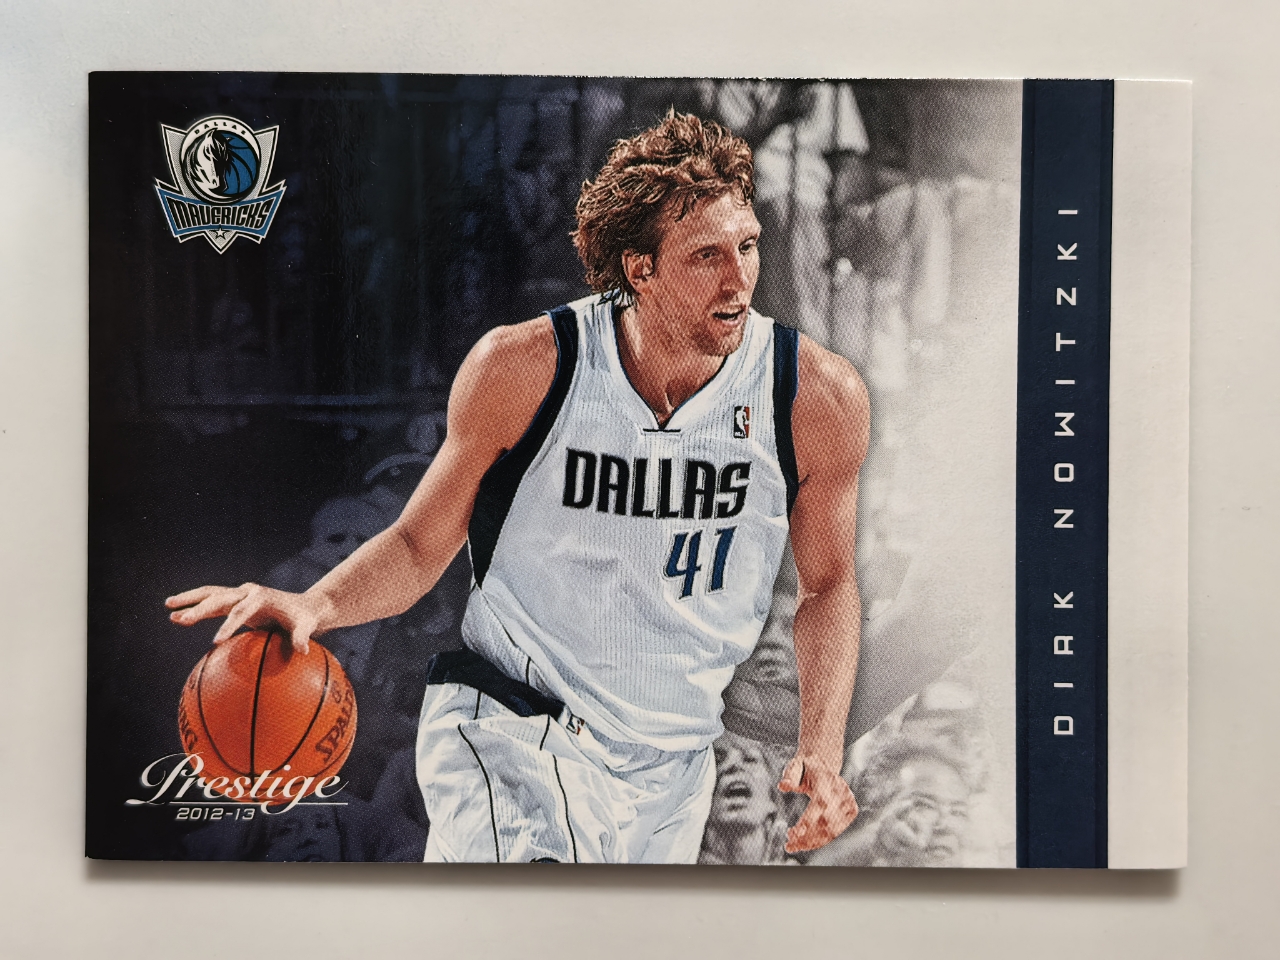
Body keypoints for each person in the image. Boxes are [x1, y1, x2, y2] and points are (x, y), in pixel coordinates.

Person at [166, 112, 870, 864]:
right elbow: (418, 545)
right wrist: (317, 604)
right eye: (707, 256)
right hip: (516, 726)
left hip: (672, 766)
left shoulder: (815, 396)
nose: (739, 278)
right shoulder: (525, 369)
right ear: (640, 269)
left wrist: (821, 747)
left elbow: (829, 584)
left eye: (747, 245)